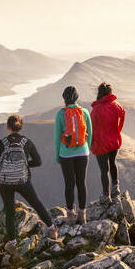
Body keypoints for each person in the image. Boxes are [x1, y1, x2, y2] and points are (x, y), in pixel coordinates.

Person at [0, 114, 57, 242]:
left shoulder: (1, 143)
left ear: (8, 127)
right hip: (23, 181)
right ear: (21, 127)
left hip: (5, 182)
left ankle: (12, 243)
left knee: (10, 211)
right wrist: (25, 165)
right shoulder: (26, 142)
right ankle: (51, 229)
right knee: (36, 203)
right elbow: (38, 161)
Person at [54, 86, 92, 225]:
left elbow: (57, 137)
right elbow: (90, 133)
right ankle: (82, 215)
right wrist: (86, 148)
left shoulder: (60, 114)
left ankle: (70, 216)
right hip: (83, 152)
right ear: (77, 97)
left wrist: (58, 155)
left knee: (69, 184)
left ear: (64, 98)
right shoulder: (85, 112)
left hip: (66, 154)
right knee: (81, 183)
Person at [90, 82, 125, 203]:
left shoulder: (96, 110)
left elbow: (92, 128)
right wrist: (116, 132)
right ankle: (116, 189)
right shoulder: (116, 105)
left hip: (101, 144)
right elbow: (121, 120)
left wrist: (92, 143)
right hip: (114, 141)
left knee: (104, 170)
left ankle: (106, 195)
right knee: (113, 163)